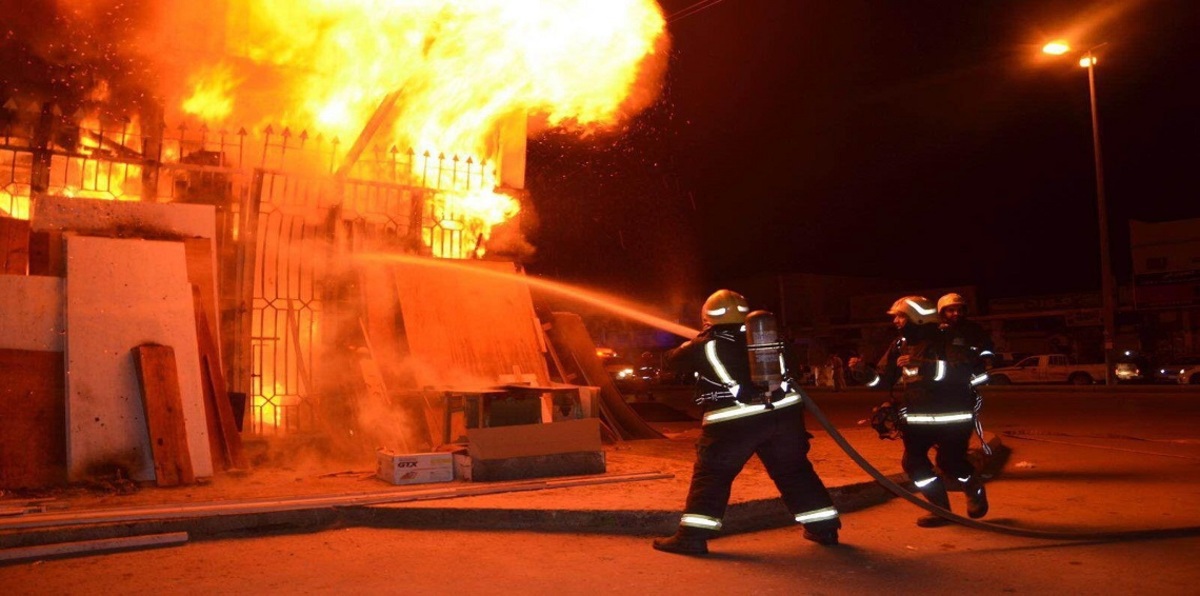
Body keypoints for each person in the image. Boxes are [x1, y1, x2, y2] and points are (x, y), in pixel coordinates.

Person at [652, 289, 841, 555]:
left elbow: (670, 361)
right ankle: (825, 529)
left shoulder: (705, 344)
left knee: (713, 477)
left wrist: (701, 337)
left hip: (733, 424)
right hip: (784, 419)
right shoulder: (772, 339)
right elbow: (795, 371)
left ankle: (691, 537)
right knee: (795, 472)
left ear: (707, 317)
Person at [859, 295, 988, 527]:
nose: (896, 321)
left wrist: (924, 366)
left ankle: (972, 485)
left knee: (950, 462)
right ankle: (940, 510)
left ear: (917, 318)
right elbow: (883, 379)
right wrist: (862, 373)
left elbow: (963, 371)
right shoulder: (900, 344)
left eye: (900, 316)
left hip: (953, 418)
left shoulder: (950, 337)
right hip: (917, 418)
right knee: (913, 464)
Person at [937, 293, 996, 458]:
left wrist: (985, 359)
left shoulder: (974, 329)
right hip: (941, 383)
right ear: (942, 312)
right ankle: (946, 448)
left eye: (959, 310)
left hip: (966, 381)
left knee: (964, 418)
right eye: (951, 310)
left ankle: (959, 449)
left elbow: (987, 347)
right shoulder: (935, 330)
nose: (956, 313)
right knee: (941, 418)